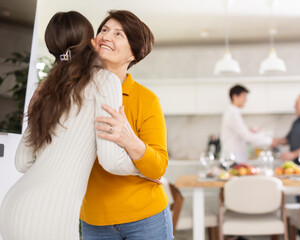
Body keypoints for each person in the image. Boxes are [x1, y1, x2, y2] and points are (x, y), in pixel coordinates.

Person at [0, 11, 143, 240]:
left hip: (11, 208)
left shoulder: (46, 89)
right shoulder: (105, 81)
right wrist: (143, 170)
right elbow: (110, 160)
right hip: (49, 216)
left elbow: (22, 161)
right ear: (91, 43)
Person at [80, 10, 173, 240]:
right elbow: (61, 56)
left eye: (118, 34)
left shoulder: (147, 100)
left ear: (133, 54)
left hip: (146, 218)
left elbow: (158, 167)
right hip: (95, 221)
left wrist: (129, 139)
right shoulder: (77, 92)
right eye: (103, 30)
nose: (106, 36)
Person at [220, 84, 276, 162]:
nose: (246, 100)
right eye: (244, 96)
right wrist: (269, 141)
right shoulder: (232, 114)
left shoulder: (233, 112)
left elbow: (241, 133)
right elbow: (247, 136)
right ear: (235, 97)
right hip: (232, 159)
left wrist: (248, 130)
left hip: (234, 157)